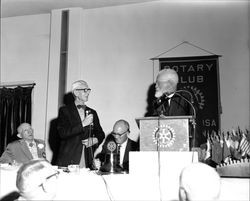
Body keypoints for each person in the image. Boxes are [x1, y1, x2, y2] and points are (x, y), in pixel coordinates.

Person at [56, 80, 105, 169]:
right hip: (68, 160)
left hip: (87, 159)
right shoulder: (64, 111)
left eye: (88, 90)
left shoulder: (92, 112)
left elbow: (101, 133)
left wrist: (96, 139)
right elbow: (62, 133)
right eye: (85, 90)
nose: (88, 93)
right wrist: (83, 124)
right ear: (76, 92)